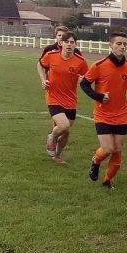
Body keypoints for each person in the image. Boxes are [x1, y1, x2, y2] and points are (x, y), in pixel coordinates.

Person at [79, 31, 127, 189]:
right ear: (110, 45)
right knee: (108, 148)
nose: (122, 46)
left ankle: (106, 181)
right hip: (102, 113)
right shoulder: (99, 65)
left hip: (121, 114)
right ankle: (95, 161)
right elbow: (84, 84)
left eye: (125, 44)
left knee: (117, 150)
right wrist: (98, 96)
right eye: (119, 43)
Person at [37, 31, 88, 163]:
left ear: (75, 44)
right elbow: (40, 65)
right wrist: (43, 80)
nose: (69, 45)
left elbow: (87, 77)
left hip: (70, 99)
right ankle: (52, 136)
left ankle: (57, 155)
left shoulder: (81, 61)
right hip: (53, 97)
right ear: (61, 43)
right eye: (67, 42)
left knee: (66, 133)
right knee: (64, 125)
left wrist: (83, 79)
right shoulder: (51, 55)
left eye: (72, 42)